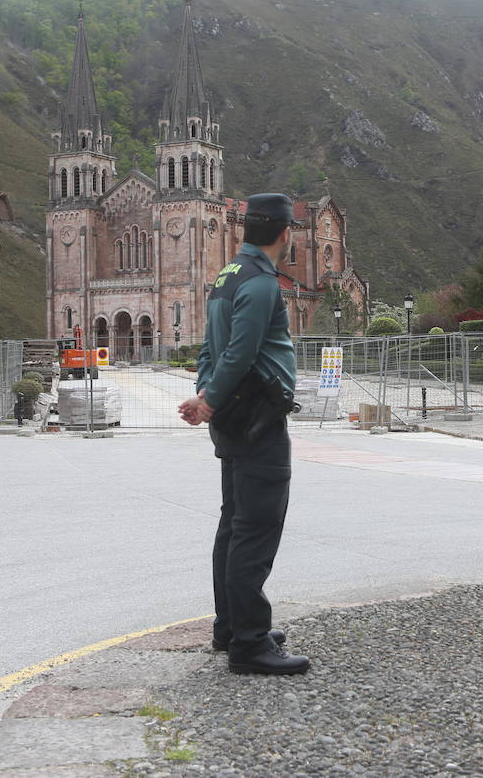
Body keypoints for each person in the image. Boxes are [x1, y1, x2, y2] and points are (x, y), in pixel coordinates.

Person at [178, 192, 309, 676]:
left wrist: (205, 396)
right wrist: (209, 401)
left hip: (233, 417)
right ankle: (250, 643)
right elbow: (239, 351)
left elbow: (211, 349)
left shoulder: (227, 277)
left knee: (234, 524)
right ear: (284, 233)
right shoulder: (261, 283)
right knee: (255, 528)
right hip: (256, 419)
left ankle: (231, 626)